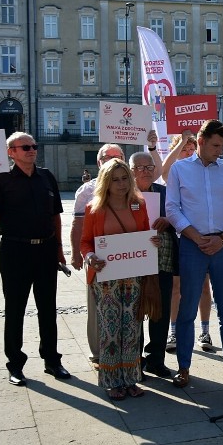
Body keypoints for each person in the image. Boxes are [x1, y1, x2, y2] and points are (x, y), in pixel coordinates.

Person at [0, 132, 71, 386]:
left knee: (48, 308)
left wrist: (59, 250)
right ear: (10, 152)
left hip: (46, 250)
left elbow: (55, 216)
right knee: (15, 309)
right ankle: (15, 364)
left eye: (33, 146)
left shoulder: (46, 177)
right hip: (15, 251)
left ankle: (52, 360)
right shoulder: (1, 180)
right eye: (25, 147)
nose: (31, 150)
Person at [165, 119, 223, 387]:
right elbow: (172, 208)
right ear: (200, 141)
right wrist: (195, 236)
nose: (220, 150)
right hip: (193, 246)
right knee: (188, 308)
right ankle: (183, 366)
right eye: (215, 145)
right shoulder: (180, 169)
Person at [80, 159, 160, 400]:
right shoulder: (94, 208)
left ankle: (131, 378)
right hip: (106, 279)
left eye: (125, 178)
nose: (121, 183)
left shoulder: (138, 204)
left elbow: (145, 235)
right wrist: (90, 256)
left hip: (134, 277)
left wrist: (152, 241)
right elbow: (85, 242)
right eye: (115, 179)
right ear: (106, 181)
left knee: (133, 329)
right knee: (110, 329)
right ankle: (112, 381)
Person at [71, 142, 125, 369]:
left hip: (129, 258)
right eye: (107, 157)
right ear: (99, 162)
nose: (112, 161)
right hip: (98, 259)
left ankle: (128, 351)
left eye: (117, 156)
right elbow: (78, 225)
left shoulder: (132, 188)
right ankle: (99, 353)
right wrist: (76, 254)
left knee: (128, 307)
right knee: (97, 307)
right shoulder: (87, 191)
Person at [160, 131, 214, 354]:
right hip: (179, 236)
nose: (189, 153)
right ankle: (173, 330)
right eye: (185, 149)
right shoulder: (174, 172)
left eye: (193, 149)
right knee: (176, 287)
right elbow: (163, 171)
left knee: (203, 285)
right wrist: (182, 140)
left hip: (201, 235)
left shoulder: (202, 172)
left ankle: (205, 329)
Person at [130, 152, 177, 378]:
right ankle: (135, 359)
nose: (147, 171)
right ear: (131, 171)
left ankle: (156, 359)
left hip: (163, 259)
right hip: (134, 259)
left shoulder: (165, 193)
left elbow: (179, 216)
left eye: (149, 167)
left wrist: (168, 220)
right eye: (141, 168)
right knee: (136, 310)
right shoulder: (124, 194)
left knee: (161, 310)